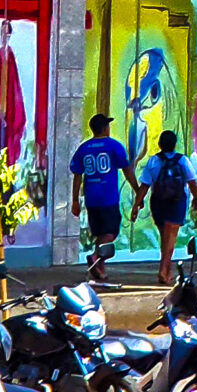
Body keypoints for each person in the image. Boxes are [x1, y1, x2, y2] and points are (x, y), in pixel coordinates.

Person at [134, 128, 197, 285]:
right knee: (170, 238)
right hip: (176, 201)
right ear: (174, 144)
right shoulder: (182, 160)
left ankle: (167, 270)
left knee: (165, 238)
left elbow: (144, 185)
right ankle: (163, 271)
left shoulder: (153, 161)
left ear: (160, 144)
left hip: (158, 202)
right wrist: (196, 199)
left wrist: (136, 204)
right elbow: (192, 182)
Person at [69, 113, 132, 283]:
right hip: (108, 197)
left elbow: (77, 175)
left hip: (91, 197)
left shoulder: (84, 148)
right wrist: (137, 189)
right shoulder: (114, 146)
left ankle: (99, 268)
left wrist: (75, 200)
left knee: (100, 233)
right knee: (111, 232)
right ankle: (96, 257)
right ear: (105, 128)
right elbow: (126, 169)